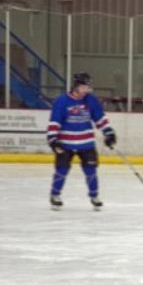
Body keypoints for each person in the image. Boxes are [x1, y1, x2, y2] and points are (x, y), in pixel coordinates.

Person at [47, 72, 116, 210]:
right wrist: (53, 139)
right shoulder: (61, 101)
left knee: (91, 171)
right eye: (84, 87)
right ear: (76, 86)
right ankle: (55, 195)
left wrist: (108, 132)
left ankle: (94, 196)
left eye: (88, 87)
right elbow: (55, 121)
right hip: (65, 144)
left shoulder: (91, 100)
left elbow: (100, 118)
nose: (86, 90)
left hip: (86, 143)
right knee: (61, 170)